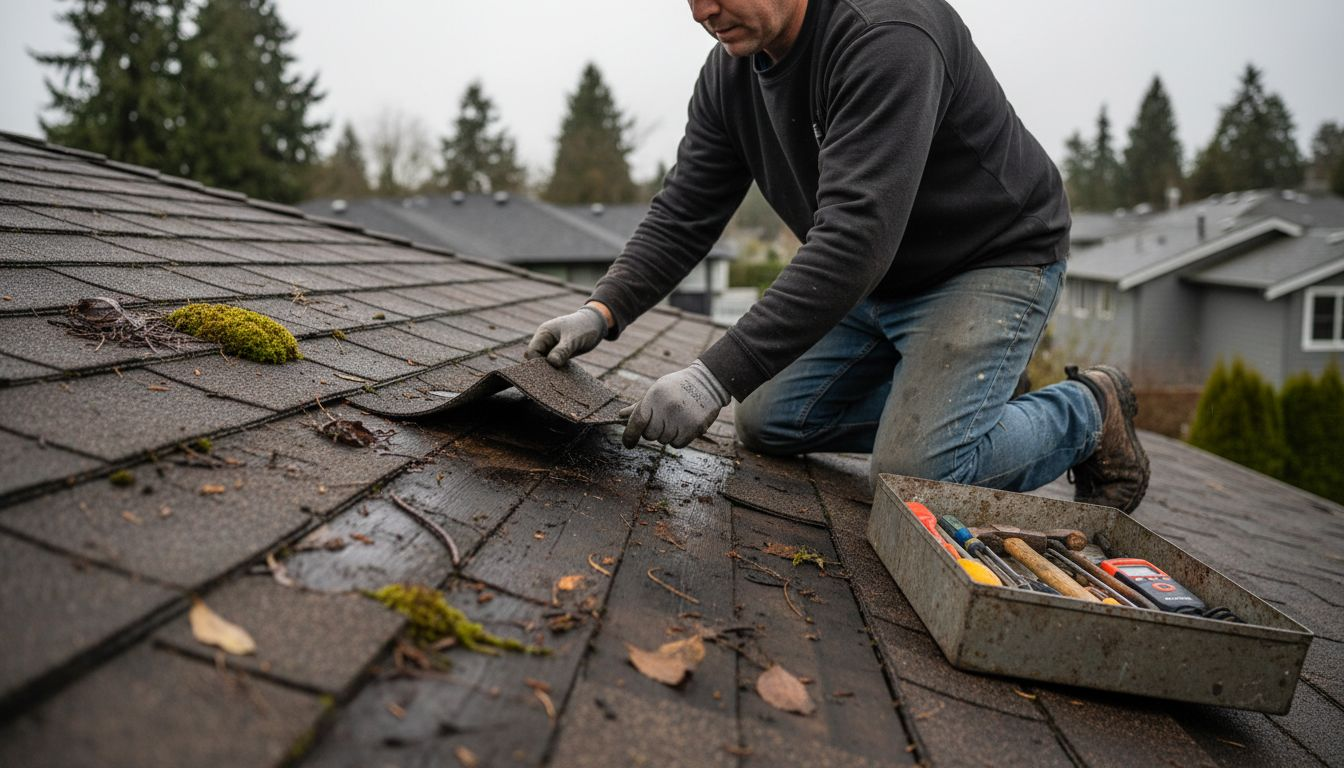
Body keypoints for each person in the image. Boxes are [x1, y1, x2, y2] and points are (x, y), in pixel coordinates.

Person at [526, 0, 1150, 511]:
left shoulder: (889, 33)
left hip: (988, 259)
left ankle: (1088, 411)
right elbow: (685, 211)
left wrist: (710, 377)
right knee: (765, 421)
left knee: (914, 480)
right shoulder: (730, 73)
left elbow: (854, 239)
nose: (701, 11)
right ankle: (968, 399)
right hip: (877, 274)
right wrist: (603, 309)